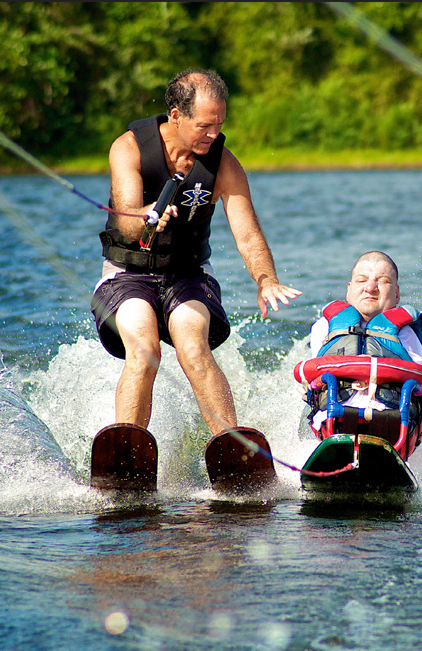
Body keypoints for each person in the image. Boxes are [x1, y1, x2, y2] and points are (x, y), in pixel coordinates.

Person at [91, 68, 302, 435]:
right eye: (205, 125)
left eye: (219, 124)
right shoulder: (128, 147)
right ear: (176, 115)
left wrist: (265, 279)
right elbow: (126, 221)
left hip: (187, 277)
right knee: (145, 349)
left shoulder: (224, 164)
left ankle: (230, 443)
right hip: (127, 276)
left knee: (193, 346)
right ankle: (127, 448)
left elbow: (248, 234)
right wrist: (147, 216)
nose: (214, 134)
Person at [305, 251, 422, 436]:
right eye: (361, 280)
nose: (370, 287)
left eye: (383, 281)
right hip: (333, 415)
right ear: (349, 289)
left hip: (391, 418)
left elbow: (419, 379)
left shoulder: (405, 332)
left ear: (396, 293)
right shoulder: (326, 326)